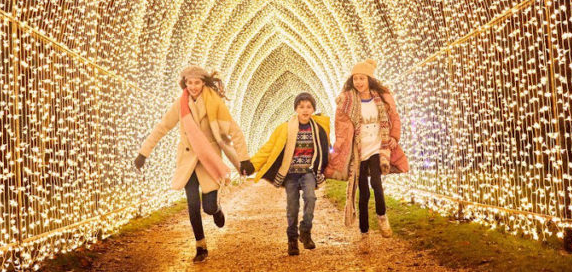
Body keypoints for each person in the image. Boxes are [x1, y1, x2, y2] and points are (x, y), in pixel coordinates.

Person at [134, 66, 255, 262]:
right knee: (192, 204)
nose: (193, 87)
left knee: (207, 207)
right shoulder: (181, 105)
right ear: (185, 84)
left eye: (197, 82)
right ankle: (201, 246)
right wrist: (143, 153)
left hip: (209, 160)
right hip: (188, 160)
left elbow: (234, 130)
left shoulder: (215, 103)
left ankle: (216, 210)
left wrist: (244, 158)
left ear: (203, 83)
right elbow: (162, 127)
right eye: (189, 83)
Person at [325, 60, 408, 239]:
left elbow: (394, 116)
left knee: (377, 183)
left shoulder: (382, 98)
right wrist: (342, 145)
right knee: (363, 191)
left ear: (369, 79)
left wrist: (393, 136)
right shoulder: (348, 101)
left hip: (378, 147)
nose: (359, 82)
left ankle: (382, 216)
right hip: (359, 151)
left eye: (362, 78)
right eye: (355, 79)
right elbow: (341, 126)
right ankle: (364, 232)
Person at [249, 92, 330, 255]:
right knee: (292, 207)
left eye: (308, 107)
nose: (305, 110)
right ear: (296, 109)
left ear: (313, 109)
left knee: (310, 198)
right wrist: (252, 165)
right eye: (301, 107)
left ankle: (305, 231)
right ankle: (292, 239)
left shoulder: (319, 129)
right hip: (291, 173)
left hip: (308, 172)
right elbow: (269, 148)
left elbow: (325, 151)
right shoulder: (285, 128)